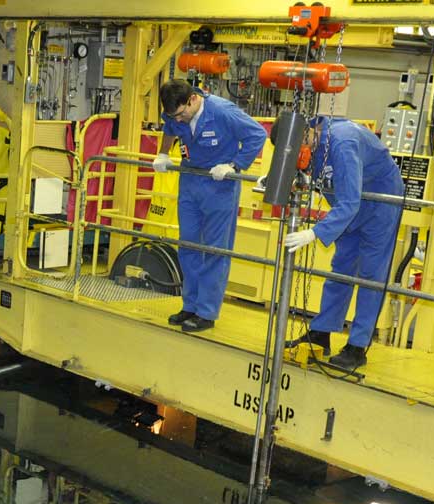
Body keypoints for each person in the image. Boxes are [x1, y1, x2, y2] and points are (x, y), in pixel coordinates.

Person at [283, 117, 404, 370]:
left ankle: (358, 346)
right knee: (341, 268)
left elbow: (350, 202)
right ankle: (321, 332)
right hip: (347, 206)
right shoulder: (311, 143)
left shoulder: (342, 142)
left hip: (379, 203)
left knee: (370, 275)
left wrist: (314, 233)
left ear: (306, 134)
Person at [153, 80, 267, 332]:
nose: (179, 120)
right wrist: (163, 153)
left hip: (219, 186)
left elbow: (257, 135)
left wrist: (235, 165)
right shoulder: (176, 114)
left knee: (215, 251)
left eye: (182, 113)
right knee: (189, 246)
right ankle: (190, 305)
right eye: (175, 116)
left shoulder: (222, 112)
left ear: (193, 99)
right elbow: (171, 127)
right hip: (190, 182)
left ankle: (206, 312)